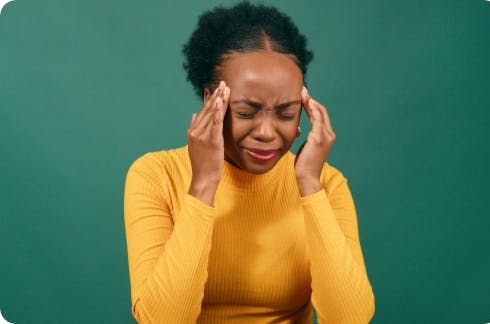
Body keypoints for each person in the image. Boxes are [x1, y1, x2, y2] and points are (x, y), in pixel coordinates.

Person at [123, 2, 375, 323]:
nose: (268, 133)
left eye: (286, 113)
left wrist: (310, 186)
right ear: (211, 102)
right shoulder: (155, 176)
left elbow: (349, 319)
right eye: (246, 112)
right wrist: (203, 185)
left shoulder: (327, 184)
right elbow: (162, 319)